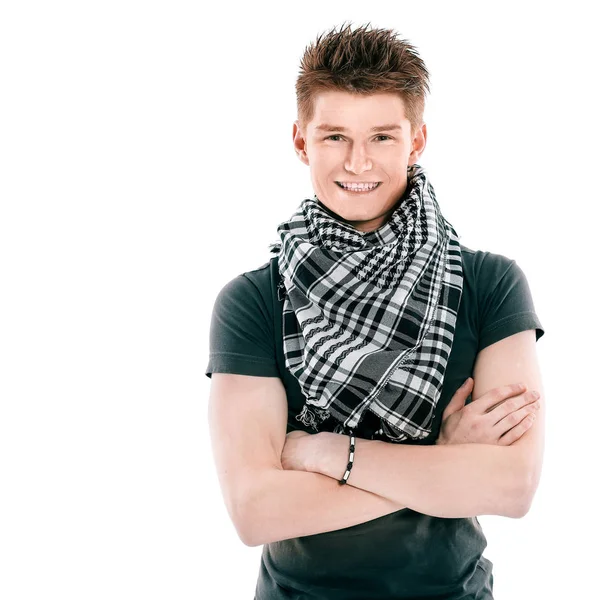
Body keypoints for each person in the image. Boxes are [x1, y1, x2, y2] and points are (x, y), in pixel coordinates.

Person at [206, 21, 546, 600]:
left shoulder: (489, 283)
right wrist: (442, 460)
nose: (358, 163)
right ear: (300, 140)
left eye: (382, 137)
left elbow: (511, 487)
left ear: (416, 141)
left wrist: (327, 453)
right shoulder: (254, 301)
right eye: (335, 136)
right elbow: (255, 511)